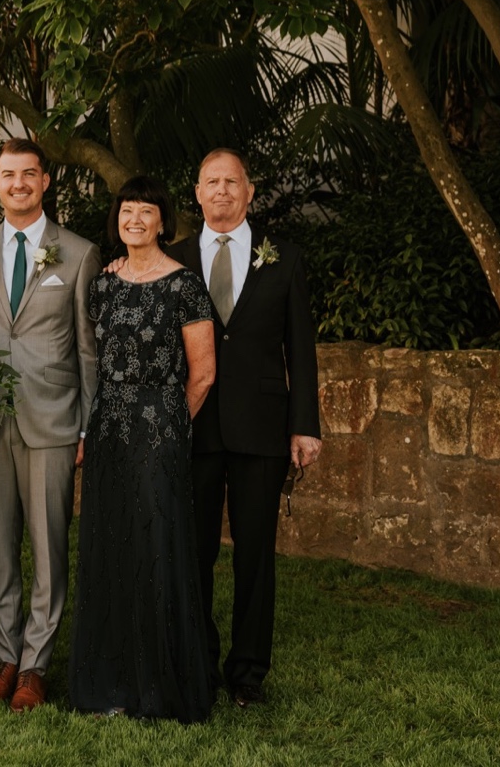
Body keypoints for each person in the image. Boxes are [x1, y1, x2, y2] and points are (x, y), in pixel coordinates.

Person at [167, 148, 321, 708]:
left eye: (233, 182)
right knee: (196, 549)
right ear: (198, 192)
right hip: (195, 428)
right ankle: (199, 663)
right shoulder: (174, 259)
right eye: (212, 182)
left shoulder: (285, 259)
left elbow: (300, 350)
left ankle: (249, 674)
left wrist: (305, 425)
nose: (223, 191)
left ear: (250, 192)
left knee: (256, 554)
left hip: (262, 428)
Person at [69, 175, 217, 722]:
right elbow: (91, 361)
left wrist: (167, 424)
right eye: (126, 210)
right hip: (108, 427)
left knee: (158, 550)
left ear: (163, 221)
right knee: (112, 549)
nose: (135, 219)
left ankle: (158, 689)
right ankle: (108, 685)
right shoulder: (104, 284)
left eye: (146, 211)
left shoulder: (185, 285)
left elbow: (202, 376)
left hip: (160, 429)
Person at [0, 139, 98, 712]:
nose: (17, 183)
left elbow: (89, 349)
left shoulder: (79, 252)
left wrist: (88, 427)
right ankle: (6, 657)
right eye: (6, 175)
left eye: (28, 174)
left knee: (48, 548)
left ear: (46, 182)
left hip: (53, 419)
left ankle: (37, 666)